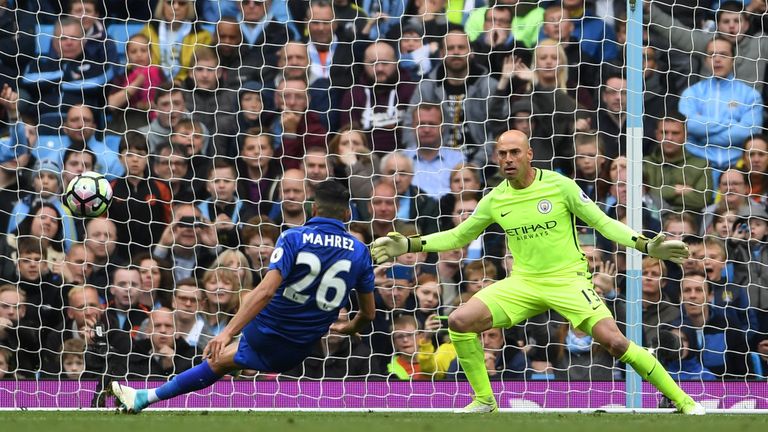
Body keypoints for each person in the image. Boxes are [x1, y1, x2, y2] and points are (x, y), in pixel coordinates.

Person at [371, 130, 705, 414]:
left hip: (568, 281)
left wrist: (646, 246)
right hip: (523, 283)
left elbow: (603, 222)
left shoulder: (559, 186)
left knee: (615, 342)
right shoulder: (495, 198)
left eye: (515, 152)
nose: (508, 159)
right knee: (459, 321)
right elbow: (459, 236)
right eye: (501, 154)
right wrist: (410, 245)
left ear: (529, 154)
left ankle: (682, 400)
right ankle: (485, 399)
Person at [110, 180, 376, 413]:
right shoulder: (361, 252)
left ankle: (144, 398)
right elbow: (369, 314)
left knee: (218, 358)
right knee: (227, 359)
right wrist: (352, 326)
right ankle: (144, 397)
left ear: (313, 209)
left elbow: (265, 291)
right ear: (348, 213)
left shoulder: (294, 237)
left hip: (269, 332)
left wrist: (227, 332)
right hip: (304, 347)